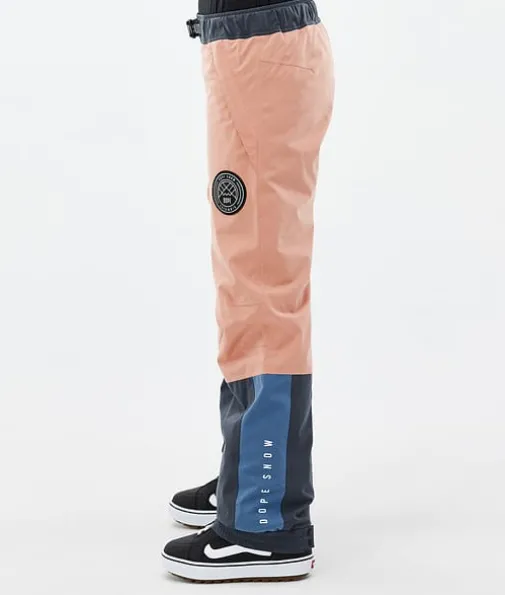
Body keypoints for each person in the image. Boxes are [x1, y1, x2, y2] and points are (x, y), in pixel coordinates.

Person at [162, 0, 334, 583]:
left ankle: (265, 517)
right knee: (247, 280)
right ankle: (251, 477)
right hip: (253, 50)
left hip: (259, 56)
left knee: (260, 287)